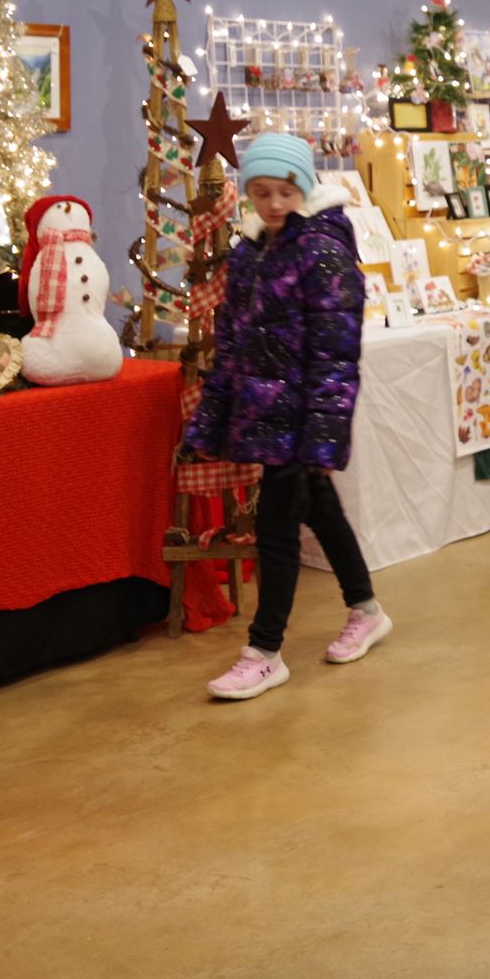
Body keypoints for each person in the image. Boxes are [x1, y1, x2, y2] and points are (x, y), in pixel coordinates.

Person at [185, 133, 388, 700]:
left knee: (276, 530)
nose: (274, 203)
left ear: (304, 187)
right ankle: (367, 609)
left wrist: (322, 435)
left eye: (286, 191)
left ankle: (265, 651)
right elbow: (230, 345)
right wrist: (211, 421)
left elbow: (335, 354)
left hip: (302, 420)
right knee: (320, 509)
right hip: (265, 416)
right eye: (262, 192)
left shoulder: (323, 251)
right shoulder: (251, 252)